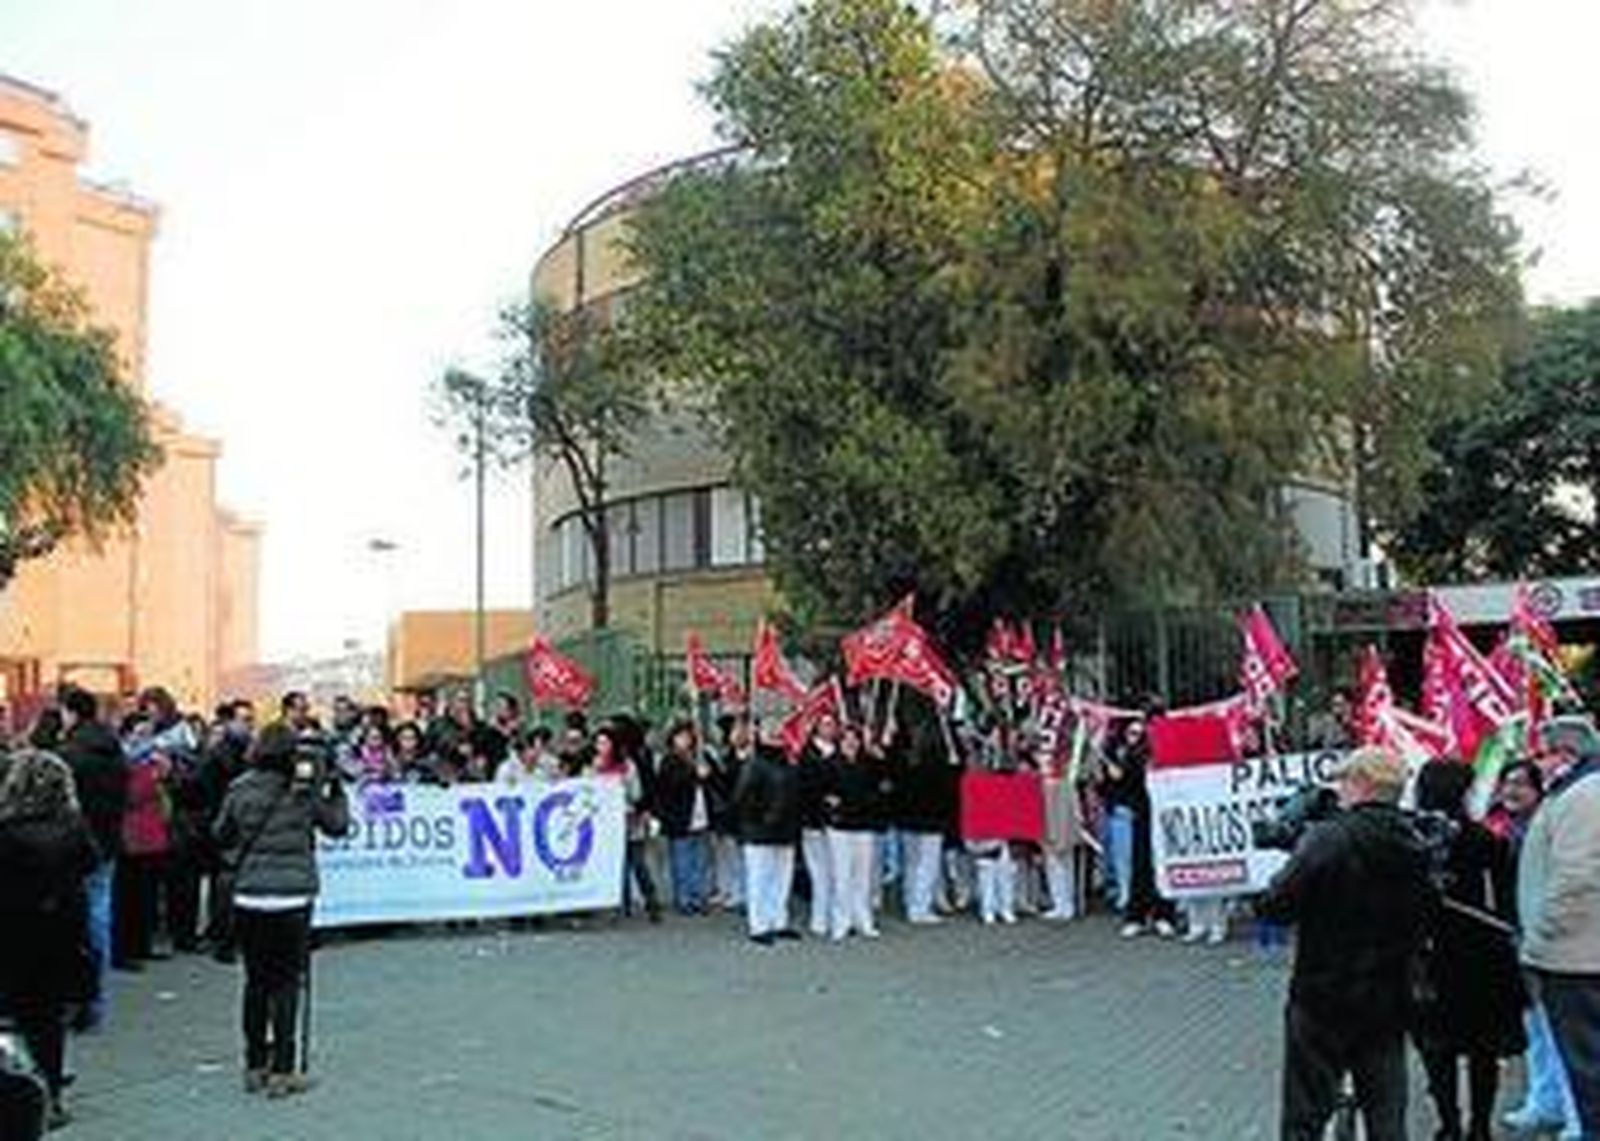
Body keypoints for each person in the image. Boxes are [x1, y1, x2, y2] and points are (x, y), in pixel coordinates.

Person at [1257, 746, 1434, 1141]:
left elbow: (1275, 906)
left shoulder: (1329, 838)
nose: (1339, 790)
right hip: (1389, 993)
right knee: (1386, 1106)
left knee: (1306, 1110)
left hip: (1325, 993)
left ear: (1361, 784)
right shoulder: (1417, 839)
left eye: (1344, 781)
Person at [213, 721, 349, 1098]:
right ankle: (284, 1070)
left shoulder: (239, 788)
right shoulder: (302, 790)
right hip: (293, 895)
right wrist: (336, 791)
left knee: (256, 981)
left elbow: (221, 833)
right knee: (288, 981)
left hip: (249, 893)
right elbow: (337, 826)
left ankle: (254, 1063)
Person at [1410, 760, 1526, 1141]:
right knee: (1483, 1049)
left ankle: (1449, 1124)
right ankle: (1480, 1127)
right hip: (1481, 952)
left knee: (1435, 1048)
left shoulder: (1408, 840)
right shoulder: (1483, 839)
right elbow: (1507, 900)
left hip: (1427, 954)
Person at [0, 749, 99, 1129]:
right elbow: (91, 864)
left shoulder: (5, 831)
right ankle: (52, 1095)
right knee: (48, 1021)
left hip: (11, 934)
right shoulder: (74, 827)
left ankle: (16, 1086)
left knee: (11, 1016)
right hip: (60, 932)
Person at [1517, 715, 1600, 1140]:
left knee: (1588, 1068)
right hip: (1575, 952)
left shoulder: (1584, 797)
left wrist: (1541, 935)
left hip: (1576, 956)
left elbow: (1575, 878)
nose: (1539, 763)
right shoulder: (1573, 793)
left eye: (1543, 754)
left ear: (1566, 753)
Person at [1493, 760, 1581, 1139]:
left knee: (1562, 1031)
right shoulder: (1503, 831)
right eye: (1506, 783)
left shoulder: (1552, 828)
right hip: (1518, 939)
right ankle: (1544, 1102)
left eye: (1520, 784)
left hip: (1551, 943)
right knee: (1535, 1027)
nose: (1511, 791)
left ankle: (1577, 1115)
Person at [55, 685, 127, 1025]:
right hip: (108, 840)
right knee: (100, 911)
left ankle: (77, 992)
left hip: (74, 845)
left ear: (70, 712)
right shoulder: (115, 750)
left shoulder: (69, 754)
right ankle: (97, 992)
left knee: (72, 918)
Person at [732, 724, 802, 945]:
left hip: (786, 830)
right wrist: (760, 819)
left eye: (779, 730)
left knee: (782, 879)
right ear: (759, 735)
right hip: (760, 832)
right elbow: (741, 797)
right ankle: (759, 926)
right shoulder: (754, 763)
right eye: (770, 731)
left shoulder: (789, 763)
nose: (776, 734)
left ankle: (778, 921)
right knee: (759, 879)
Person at [592, 723, 661, 922]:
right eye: (598, 743)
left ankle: (651, 901)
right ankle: (621, 904)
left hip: (629, 819)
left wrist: (623, 794)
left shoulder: (627, 765)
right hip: (607, 823)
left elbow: (636, 793)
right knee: (617, 865)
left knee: (638, 863)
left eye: (605, 742)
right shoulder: (594, 766)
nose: (601, 747)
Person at [825, 724, 881, 941]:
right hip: (840, 826)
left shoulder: (868, 763)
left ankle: (863, 920)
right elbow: (821, 791)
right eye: (846, 738)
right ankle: (841, 922)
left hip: (863, 825)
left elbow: (880, 786)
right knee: (841, 875)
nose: (851, 742)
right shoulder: (831, 763)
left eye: (855, 738)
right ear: (840, 742)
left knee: (862, 876)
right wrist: (831, 805)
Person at [654, 721, 715, 916]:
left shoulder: (700, 756)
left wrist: (707, 772)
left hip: (701, 814)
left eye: (688, 736)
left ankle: (698, 897)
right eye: (680, 737)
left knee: (700, 860)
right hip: (680, 817)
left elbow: (714, 779)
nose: (685, 740)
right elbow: (670, 785)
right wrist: (694, 774)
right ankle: (684, 899)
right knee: (682, 860)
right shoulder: (669, 760)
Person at [798, 715, 841, 937]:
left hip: (839, 822)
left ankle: (836, 917)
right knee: (819, 872)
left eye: (833, 724)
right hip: (813, 821)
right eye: (825, 724)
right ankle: (819, 919)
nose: (830, 728)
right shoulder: (807, 754)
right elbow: (805, 787)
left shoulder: (840, 752)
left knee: (836, 871)